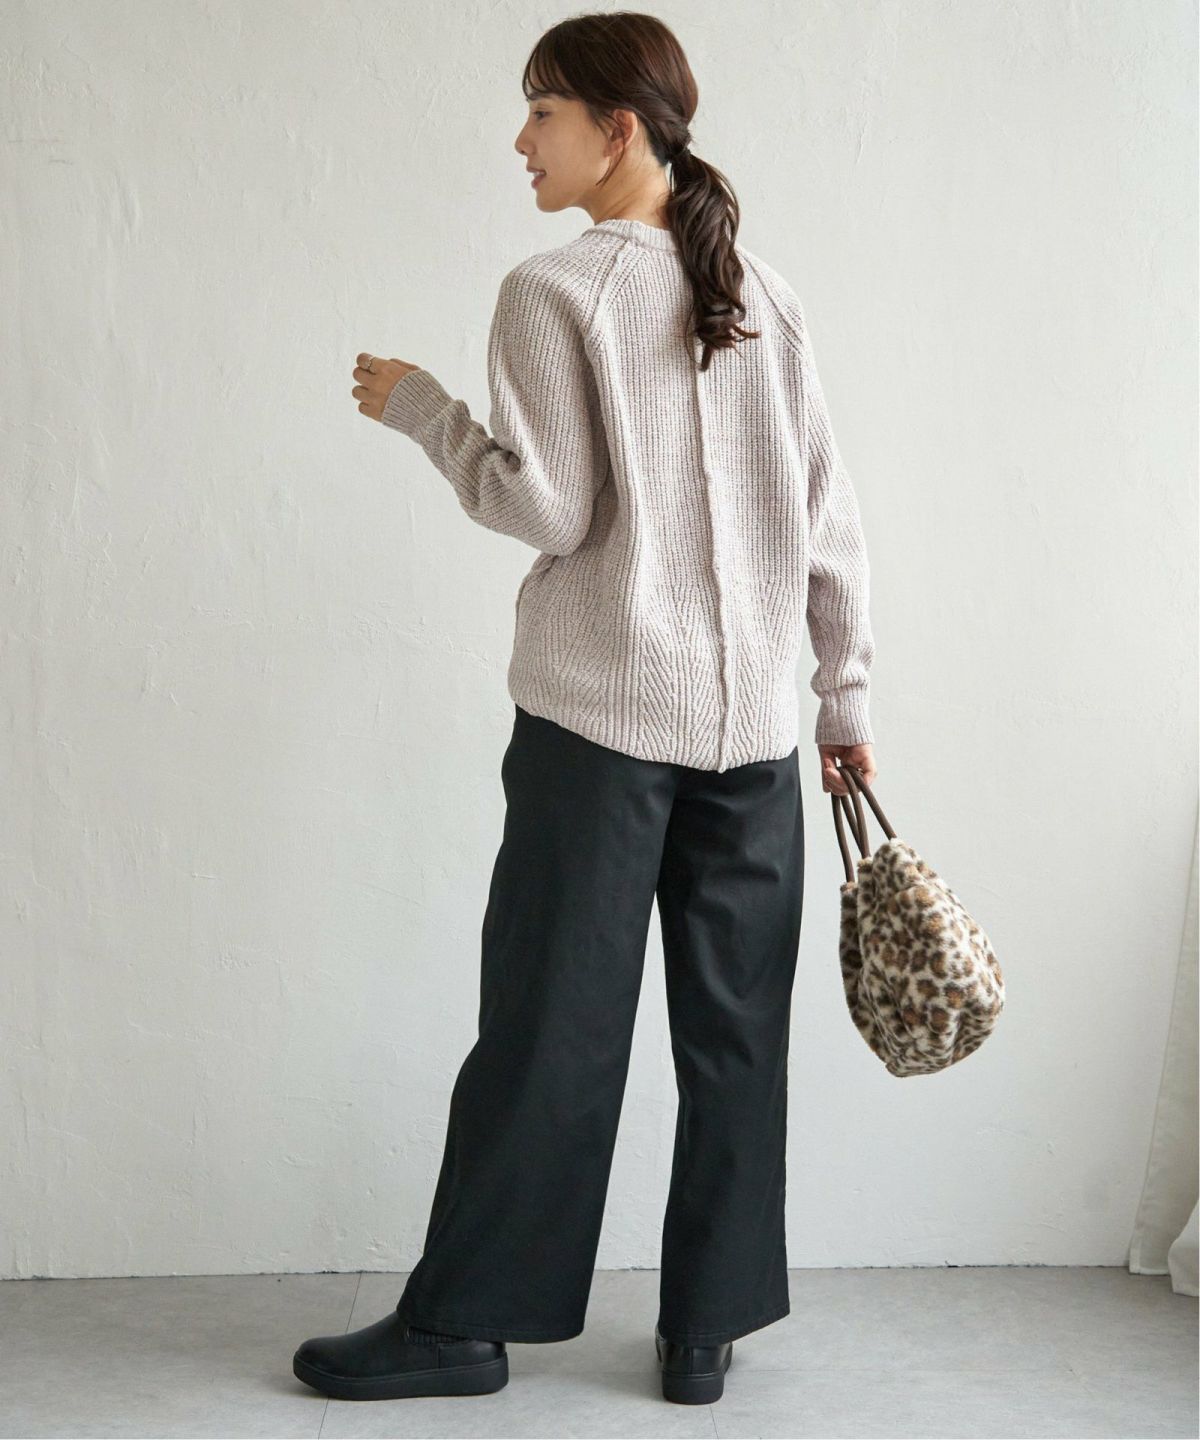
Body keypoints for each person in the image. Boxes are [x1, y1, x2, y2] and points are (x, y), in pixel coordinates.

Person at [294, 9, 878, 1409]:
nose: (521, 139)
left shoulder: (551, 290)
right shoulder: (765, 290)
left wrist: (427, 411)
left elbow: (545, 508)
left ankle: (465, 1327)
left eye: (541, 111)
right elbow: (830, 521)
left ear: (619, 130)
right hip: (757, 741)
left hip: (601, 733)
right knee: (735, 1039)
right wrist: (843, 696)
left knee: (549, 1031)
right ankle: (703, 1335)